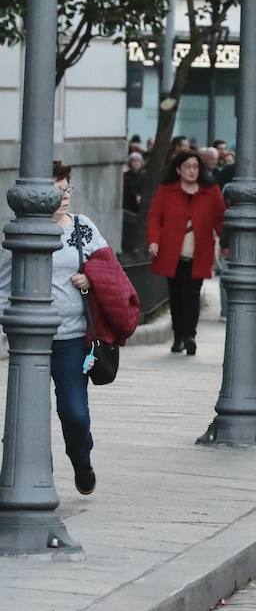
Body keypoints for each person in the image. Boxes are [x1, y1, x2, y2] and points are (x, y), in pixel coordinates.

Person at [0, 162, 128, 497]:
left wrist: (91, 279)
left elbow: (109, 270)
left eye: (67, 188)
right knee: (28, 413)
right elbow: (3, 286)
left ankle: (81, 460)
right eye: (57, 191)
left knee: (74, 410)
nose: (64, 197)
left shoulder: (82, 227)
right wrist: (9, 324)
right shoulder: (19, 230)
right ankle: (37, 473)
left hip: (73, 338)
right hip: (30, 342)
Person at [147, 150, 226, 356]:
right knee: (176, 297)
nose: (192, 171)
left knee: (192, 295)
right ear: (178, 169)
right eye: (187, 167)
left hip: (198, 253)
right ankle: (178, 337)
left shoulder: (211, 191)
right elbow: (155, 217)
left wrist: (226, 244)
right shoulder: (167, 190)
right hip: (172, 254)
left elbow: (220, 219)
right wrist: (154, 241)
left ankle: (189, 335)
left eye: (195, 167)